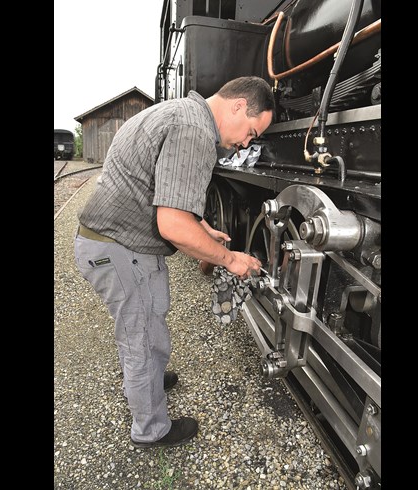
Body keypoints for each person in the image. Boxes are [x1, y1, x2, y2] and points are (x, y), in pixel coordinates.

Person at [73, 76, 275, 448]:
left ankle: (145, 382)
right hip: (122, 250)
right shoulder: (195, 131)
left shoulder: (177, 112)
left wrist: (202, 227)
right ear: (236, 106)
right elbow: (172, 225)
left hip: (109, 243)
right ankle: (150, 430)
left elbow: (160, 189)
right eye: (251, 130)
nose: (247, 143)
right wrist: (230, 259)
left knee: (140, 332)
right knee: (144, 339)